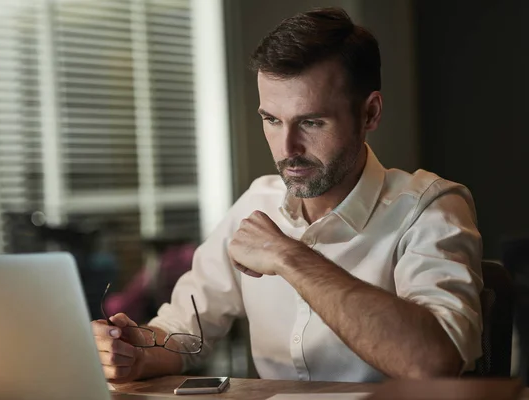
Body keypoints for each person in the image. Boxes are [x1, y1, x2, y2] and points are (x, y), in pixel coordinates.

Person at [91, 7, 482, 383]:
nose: (288, 147)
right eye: (272, 120)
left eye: (311, 121)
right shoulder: (256, 202)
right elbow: (182, 334)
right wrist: (134, 352)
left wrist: (288, 255)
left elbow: (434, 363)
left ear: (370, 113)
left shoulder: (430, 208)